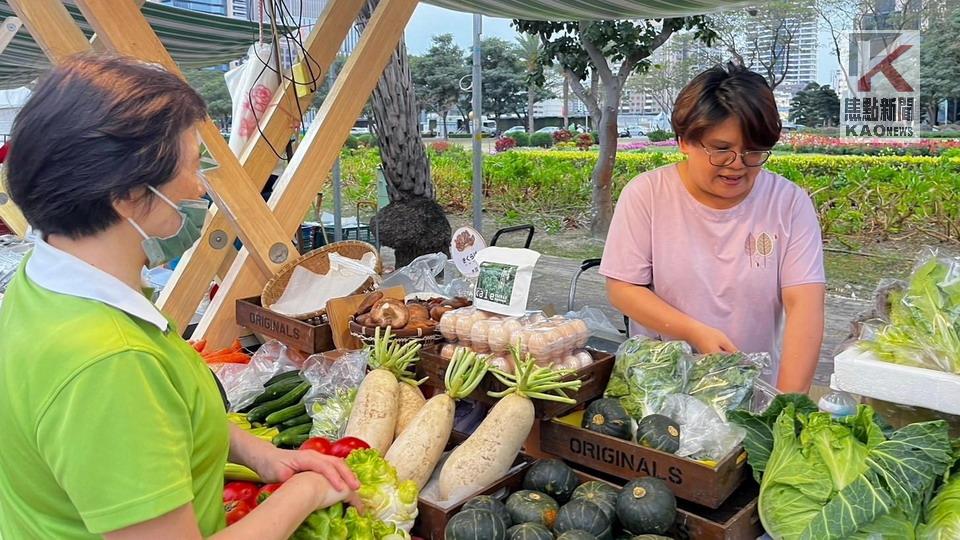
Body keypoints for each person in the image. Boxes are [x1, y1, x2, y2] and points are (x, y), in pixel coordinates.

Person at [0, 55, 359, 539]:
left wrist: (258, 452)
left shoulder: (50, 278)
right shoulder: (109, 363)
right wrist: (308, 493)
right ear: (126, 193)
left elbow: (151, 425)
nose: (198, 186)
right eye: (190, 167)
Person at [600, 63, 825, 393]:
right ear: (684, 142)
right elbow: (623, 288)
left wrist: (787, 406)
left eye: (753, 151)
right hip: (659, 386)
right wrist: (692, 331)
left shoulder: (788, 203)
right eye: (721, 149)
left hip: (751, 389)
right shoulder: (647, 194)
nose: (737, 165)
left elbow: (804, 303)